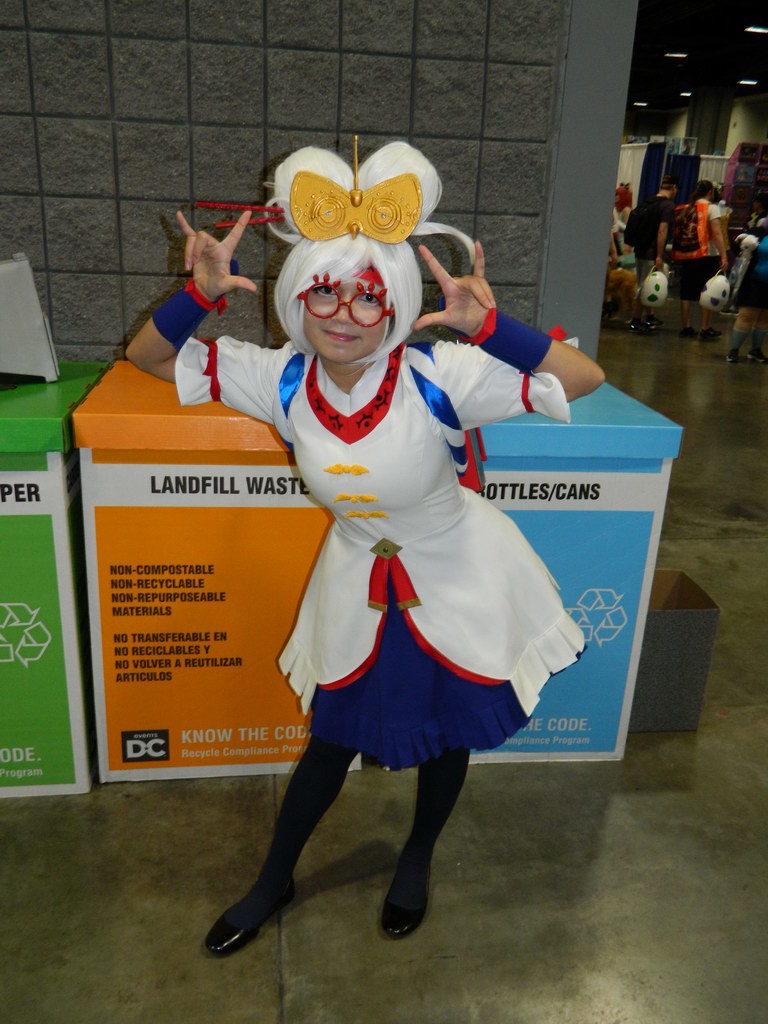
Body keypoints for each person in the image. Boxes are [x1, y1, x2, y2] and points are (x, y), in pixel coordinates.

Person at [127, 140, 605, 956]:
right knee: (332, 738)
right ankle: (273, 880)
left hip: (457, 571)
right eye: (324, 291)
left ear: (396, 307)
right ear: (297, 296)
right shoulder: (282, 379)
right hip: (358, 576)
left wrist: (489, 328)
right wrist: (197, 294)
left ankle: (416, 859)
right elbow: (149, 357)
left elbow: (582, 377)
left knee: (449, 728)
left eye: (368, 297)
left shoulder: (440, 375)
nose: (343, 314)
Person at [673, 179, 728, 339]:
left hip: (688, 254)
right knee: (707, 290)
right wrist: (723, 255)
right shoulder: (712, 208)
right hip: (707, 255)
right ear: (710, 192)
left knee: (686, 292)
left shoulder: (686, 208)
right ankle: (705, 328)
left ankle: (686, 327)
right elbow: (716, 234)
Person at [627, 174, 678, 334]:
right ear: (674, 188)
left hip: (640, 249)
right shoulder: (668, 206)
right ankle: (635, 320)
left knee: (644, 283)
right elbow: (662, 231)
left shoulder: (648, 201)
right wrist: (659, 256)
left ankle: (649, 316)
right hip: (651, 252)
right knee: (644, 286)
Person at [726, 221, 768, 364]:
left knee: (765, 317)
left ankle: (755, 350)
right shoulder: (758, 233)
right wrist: (744, 243)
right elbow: (737, 246)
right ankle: (734, 350)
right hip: (752, 282)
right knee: (746, 315)